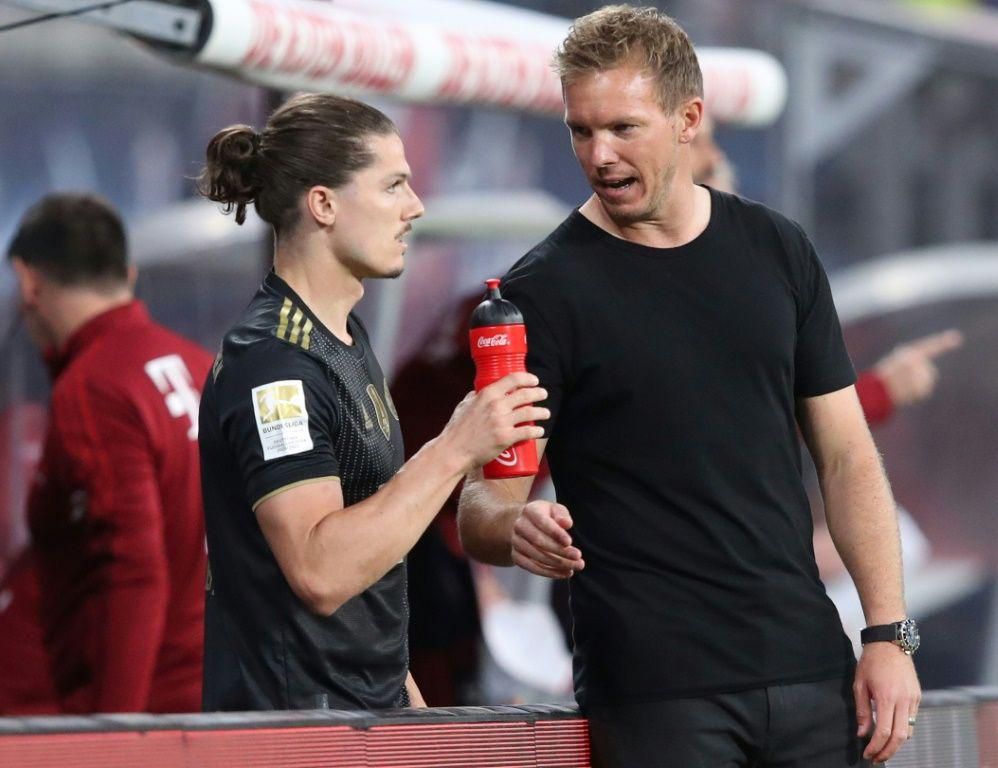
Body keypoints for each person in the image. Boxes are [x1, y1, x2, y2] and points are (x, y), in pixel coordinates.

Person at [457, 6, 921, 767]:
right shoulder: (540, 294)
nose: (599, 155)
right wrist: (513, 530)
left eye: (622, 128)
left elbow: (847, 459)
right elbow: (482, 504)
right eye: (580, 131)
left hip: (810, 669)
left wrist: (888, 634)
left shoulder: (779, 249)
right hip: (656, 695)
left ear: (689, 118)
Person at [196, 93, 547, 712]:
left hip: (367, 719)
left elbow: (369, 569)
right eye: (392, 186)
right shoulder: (273, 364)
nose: (414, 207)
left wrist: (407, 703)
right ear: (323, 204)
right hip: (298, 734)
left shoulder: (345, 337)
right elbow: (320, 571)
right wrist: (454, 450)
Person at [5, 192, 212, 713]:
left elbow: (132, 571)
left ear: (28, 281)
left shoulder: (95, 386)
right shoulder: (205, 367)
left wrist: (115, 735)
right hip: (217, 699)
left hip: (146, 711)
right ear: (130, 274)